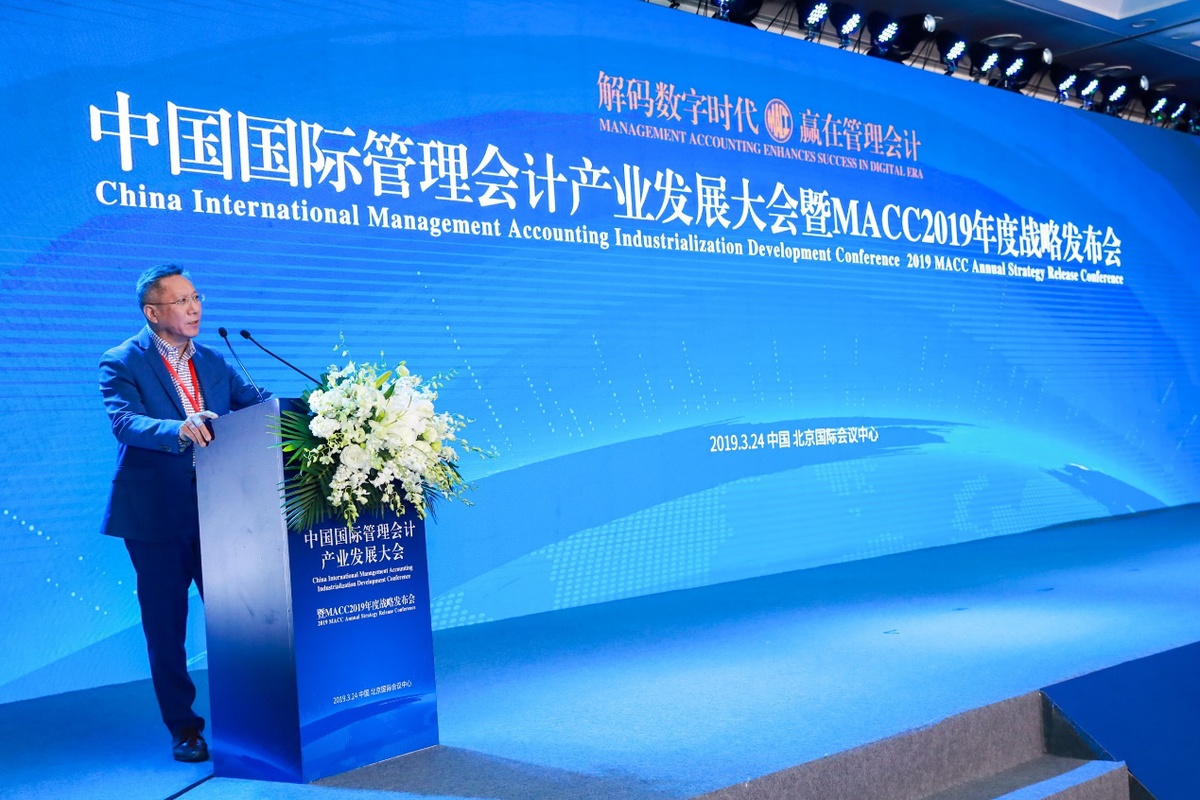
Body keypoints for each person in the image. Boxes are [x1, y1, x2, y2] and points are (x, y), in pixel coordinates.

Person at [99, 265, 266, 763]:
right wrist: (177, 428)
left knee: (240, 616)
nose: (194, 308)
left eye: (196, 297)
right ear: (153, 312)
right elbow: (125, 422)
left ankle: (254, 714)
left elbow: (257, 405)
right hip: (155, 514)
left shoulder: (213, 358)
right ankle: (184, 728)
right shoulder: (122, 360)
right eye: (182, 301)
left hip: (220, 508)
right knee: (166, 625)